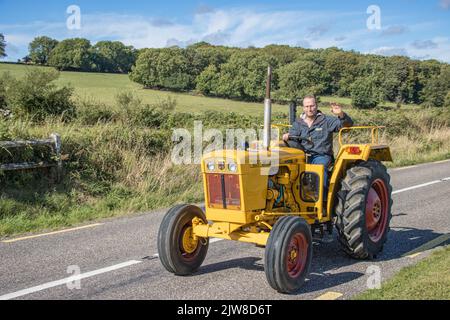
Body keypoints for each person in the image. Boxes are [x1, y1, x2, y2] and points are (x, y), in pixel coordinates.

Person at [283, 95, 353, 196]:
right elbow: (293, 138)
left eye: (312, 106)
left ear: (316, 106)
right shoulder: (298, 123)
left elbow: (347, 125)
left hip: (321, 156)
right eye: (307, 106)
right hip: (303, 155)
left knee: (318, 169)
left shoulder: (326, 121)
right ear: (303, 108)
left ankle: (321, 199)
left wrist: (341, 114)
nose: (309, 109)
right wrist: (288, 136)